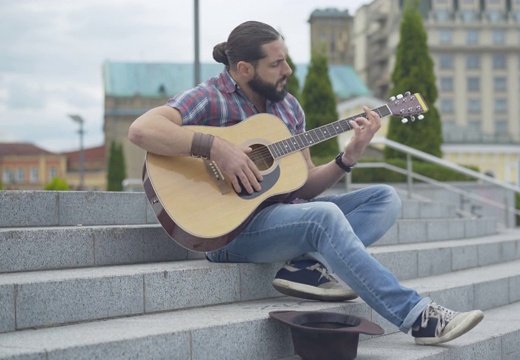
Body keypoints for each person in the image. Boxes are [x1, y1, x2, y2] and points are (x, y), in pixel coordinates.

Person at [128, 21, 483, 345]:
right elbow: (142, 130)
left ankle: (303, 266)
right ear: (243, 69)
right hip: (226, 232)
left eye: (286, 60)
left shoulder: (288, 109)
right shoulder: (210, 96)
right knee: (323, 217)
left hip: (282, 219)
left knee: (385, 198)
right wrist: (217, 148)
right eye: (276, 64)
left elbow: (304, 186)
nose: (288, 70)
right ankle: (418, 316)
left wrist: (348, 157)